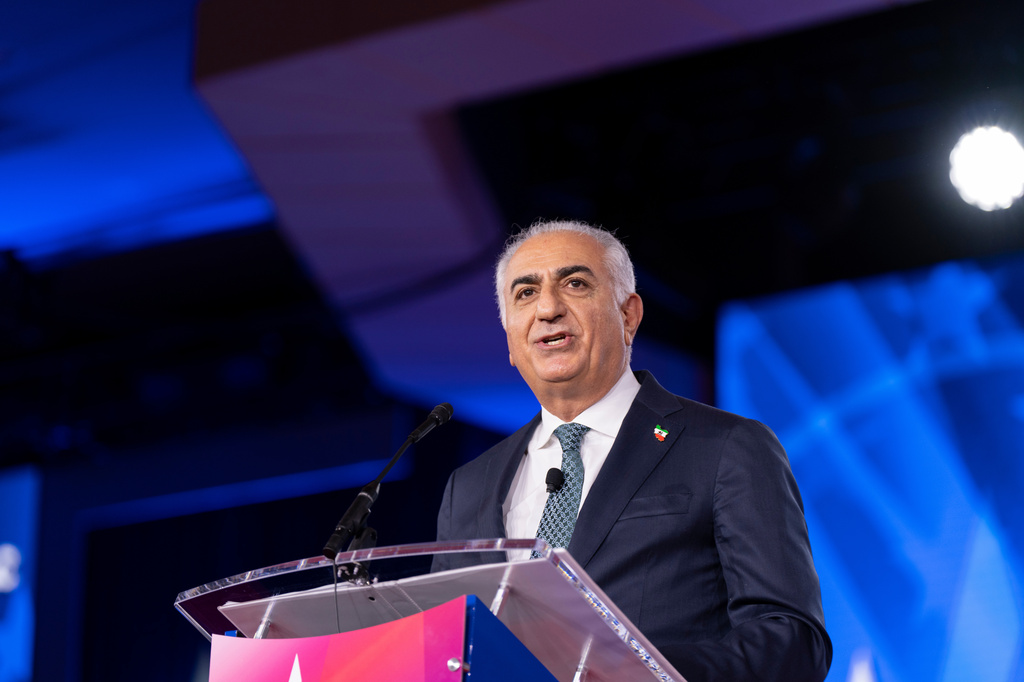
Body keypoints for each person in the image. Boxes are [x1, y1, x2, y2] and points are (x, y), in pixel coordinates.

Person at [432, 219, 831, 682]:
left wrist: (632, 671)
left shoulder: (726, 447)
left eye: (575, 284)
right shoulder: (469, 486)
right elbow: (448, 649)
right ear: (510, 342)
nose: (547, 308)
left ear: (629, 316)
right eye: (524, 293)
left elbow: (791, 640)